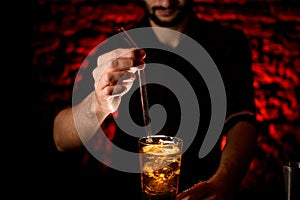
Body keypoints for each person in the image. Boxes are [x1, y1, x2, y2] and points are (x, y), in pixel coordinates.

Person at [53, 0, 258, 199]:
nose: (166, 3)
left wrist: (224, 181)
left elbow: (242, 120)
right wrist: (97, 103)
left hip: (201, 189)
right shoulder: (117, 48)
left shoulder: (227, 43)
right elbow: (61, 138)